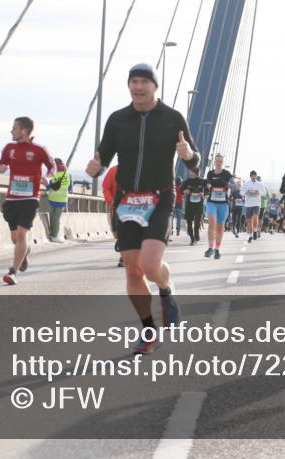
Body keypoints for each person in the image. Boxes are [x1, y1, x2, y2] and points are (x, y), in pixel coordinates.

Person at [86, 63, 199, 354]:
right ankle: (149, 330)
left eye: (143, 82)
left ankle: (166, 289)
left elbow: (194, 159)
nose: (137, 87)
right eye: (133, 82)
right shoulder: (118, 119)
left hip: (160, 198)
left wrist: (188, 154)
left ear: (154, 86)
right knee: (133, 272)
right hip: (127, 200)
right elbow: (103, 157)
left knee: (150, 267)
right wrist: (95, 168)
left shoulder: (172, 118)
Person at [0, 117, 55, 285]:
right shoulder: (9, 148)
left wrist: (47, 178)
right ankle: (24, 251)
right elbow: (1, 165)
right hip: (12, 198)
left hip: (30, 197)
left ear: (24, 131)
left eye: (14, 128)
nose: (11, 131)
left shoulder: (39, 149)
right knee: (15, 236)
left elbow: (52, 166)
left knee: (22, 233)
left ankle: (13, 272)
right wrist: (1, 167)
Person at [204, 154, 233, 259]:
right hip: (211, 202)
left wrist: (226, 183)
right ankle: (210, 248)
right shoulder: (210, 173)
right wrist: (207, 186)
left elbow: (234, 185)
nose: (219, 163)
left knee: (220, 227)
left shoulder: (226, 174)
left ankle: (217, 249)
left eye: (221, 161)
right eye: (217, 161)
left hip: (223, 204)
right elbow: (206, 186)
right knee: (212, 223)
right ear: (214, 162)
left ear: (223, 162)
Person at [101, 164, 124, 267]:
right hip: (117, 208)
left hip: (135, 207)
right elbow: (106, 188)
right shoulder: (113, 170)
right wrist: (111, 201)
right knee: (117, 233)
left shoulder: (140, 169)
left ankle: (125, 257)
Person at [45, 158, 71, 243]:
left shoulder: (53, 174)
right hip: (62, 199)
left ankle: (52, 235)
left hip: (52, 198)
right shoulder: (68, 174)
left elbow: (48, 186)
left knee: (52, 218)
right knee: (57, 219)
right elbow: (70, 187)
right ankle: (55, 236)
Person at [180, 167, 207, 245]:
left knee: (197, 222)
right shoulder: (187, 181)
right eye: (190, 172)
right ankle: (192, 239)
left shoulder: (202, 181)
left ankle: (196, 233)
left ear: (197, 173)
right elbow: (181, 190)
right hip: (189, 204)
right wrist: (185, 191)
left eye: (193, 172)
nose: (191, 173)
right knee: (189, 223)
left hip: (199, 205)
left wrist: (203, 193)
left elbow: (208, 190)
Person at [243, 171, 267, 242]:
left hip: (256, 203)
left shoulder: (260, 184)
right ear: (250, 176)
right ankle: (250, 235)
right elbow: (241, 192)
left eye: (255, 176)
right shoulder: (246, 184)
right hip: (248, 204)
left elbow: (264, 193)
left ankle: (255, 230)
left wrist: (259, 192)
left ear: (256, 176)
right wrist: (246, 192)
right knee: (249, 220)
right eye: (252, 176)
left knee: (255, 217)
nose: (253, 177)